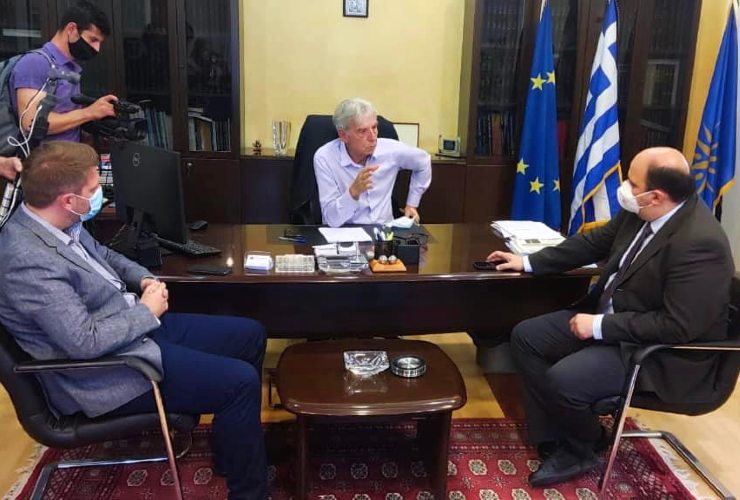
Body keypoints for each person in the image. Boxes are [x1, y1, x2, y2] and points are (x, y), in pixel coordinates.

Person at [0, 141, 267, 499]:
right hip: (105, 371)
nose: (100, 195)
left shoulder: (57, 222)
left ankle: (232, 453)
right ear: (68, 200)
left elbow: (104, 255)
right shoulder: (27, 261)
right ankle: (249, 493)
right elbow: (84, 343)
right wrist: (146, 312)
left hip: (131, 328)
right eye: (93, 189)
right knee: (240, 382)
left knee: (250, 335)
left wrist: (143, 279)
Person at [487, 147, 735, 487]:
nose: (623, 187)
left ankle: (581, 448)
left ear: (656, 196)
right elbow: (591, 244)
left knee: (564, 380)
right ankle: (561, 436)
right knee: (527, 337)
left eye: (632, 183)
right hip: (615, 323)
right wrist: (528, 262)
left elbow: (678, 326)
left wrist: (600, 326)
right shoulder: (642, 212)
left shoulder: (700, 243)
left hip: (658, 352)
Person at [10, 1, 118, 143]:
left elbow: (67, 119)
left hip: (68, 154)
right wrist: (89, 113)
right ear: (71, 29)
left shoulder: (70, 68)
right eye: (93, 39)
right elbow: (31, 123)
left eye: (99, 43)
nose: (97, 49)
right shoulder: (35, 63)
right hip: (43, 156)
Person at [314, 98, 432, 227]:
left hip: (384, 231)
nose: (372, 137)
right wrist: (353, 192)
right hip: (343, 232)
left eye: (374, 127)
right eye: (362, 131)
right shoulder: (325, 157)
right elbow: (331, 220)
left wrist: (412, 204)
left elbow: (424, 161)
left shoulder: (390, 150)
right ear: (343, 135)